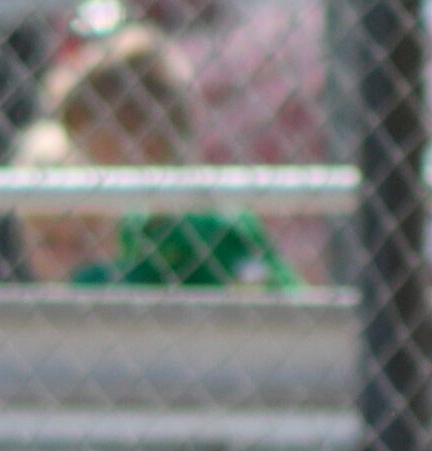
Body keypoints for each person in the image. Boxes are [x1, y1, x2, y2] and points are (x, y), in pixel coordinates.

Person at [29, 28, 298, 289]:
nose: (85, 160)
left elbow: (274, 296)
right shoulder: (136, 224)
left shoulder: (213, 224)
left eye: (90, 145)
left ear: (129, 138)